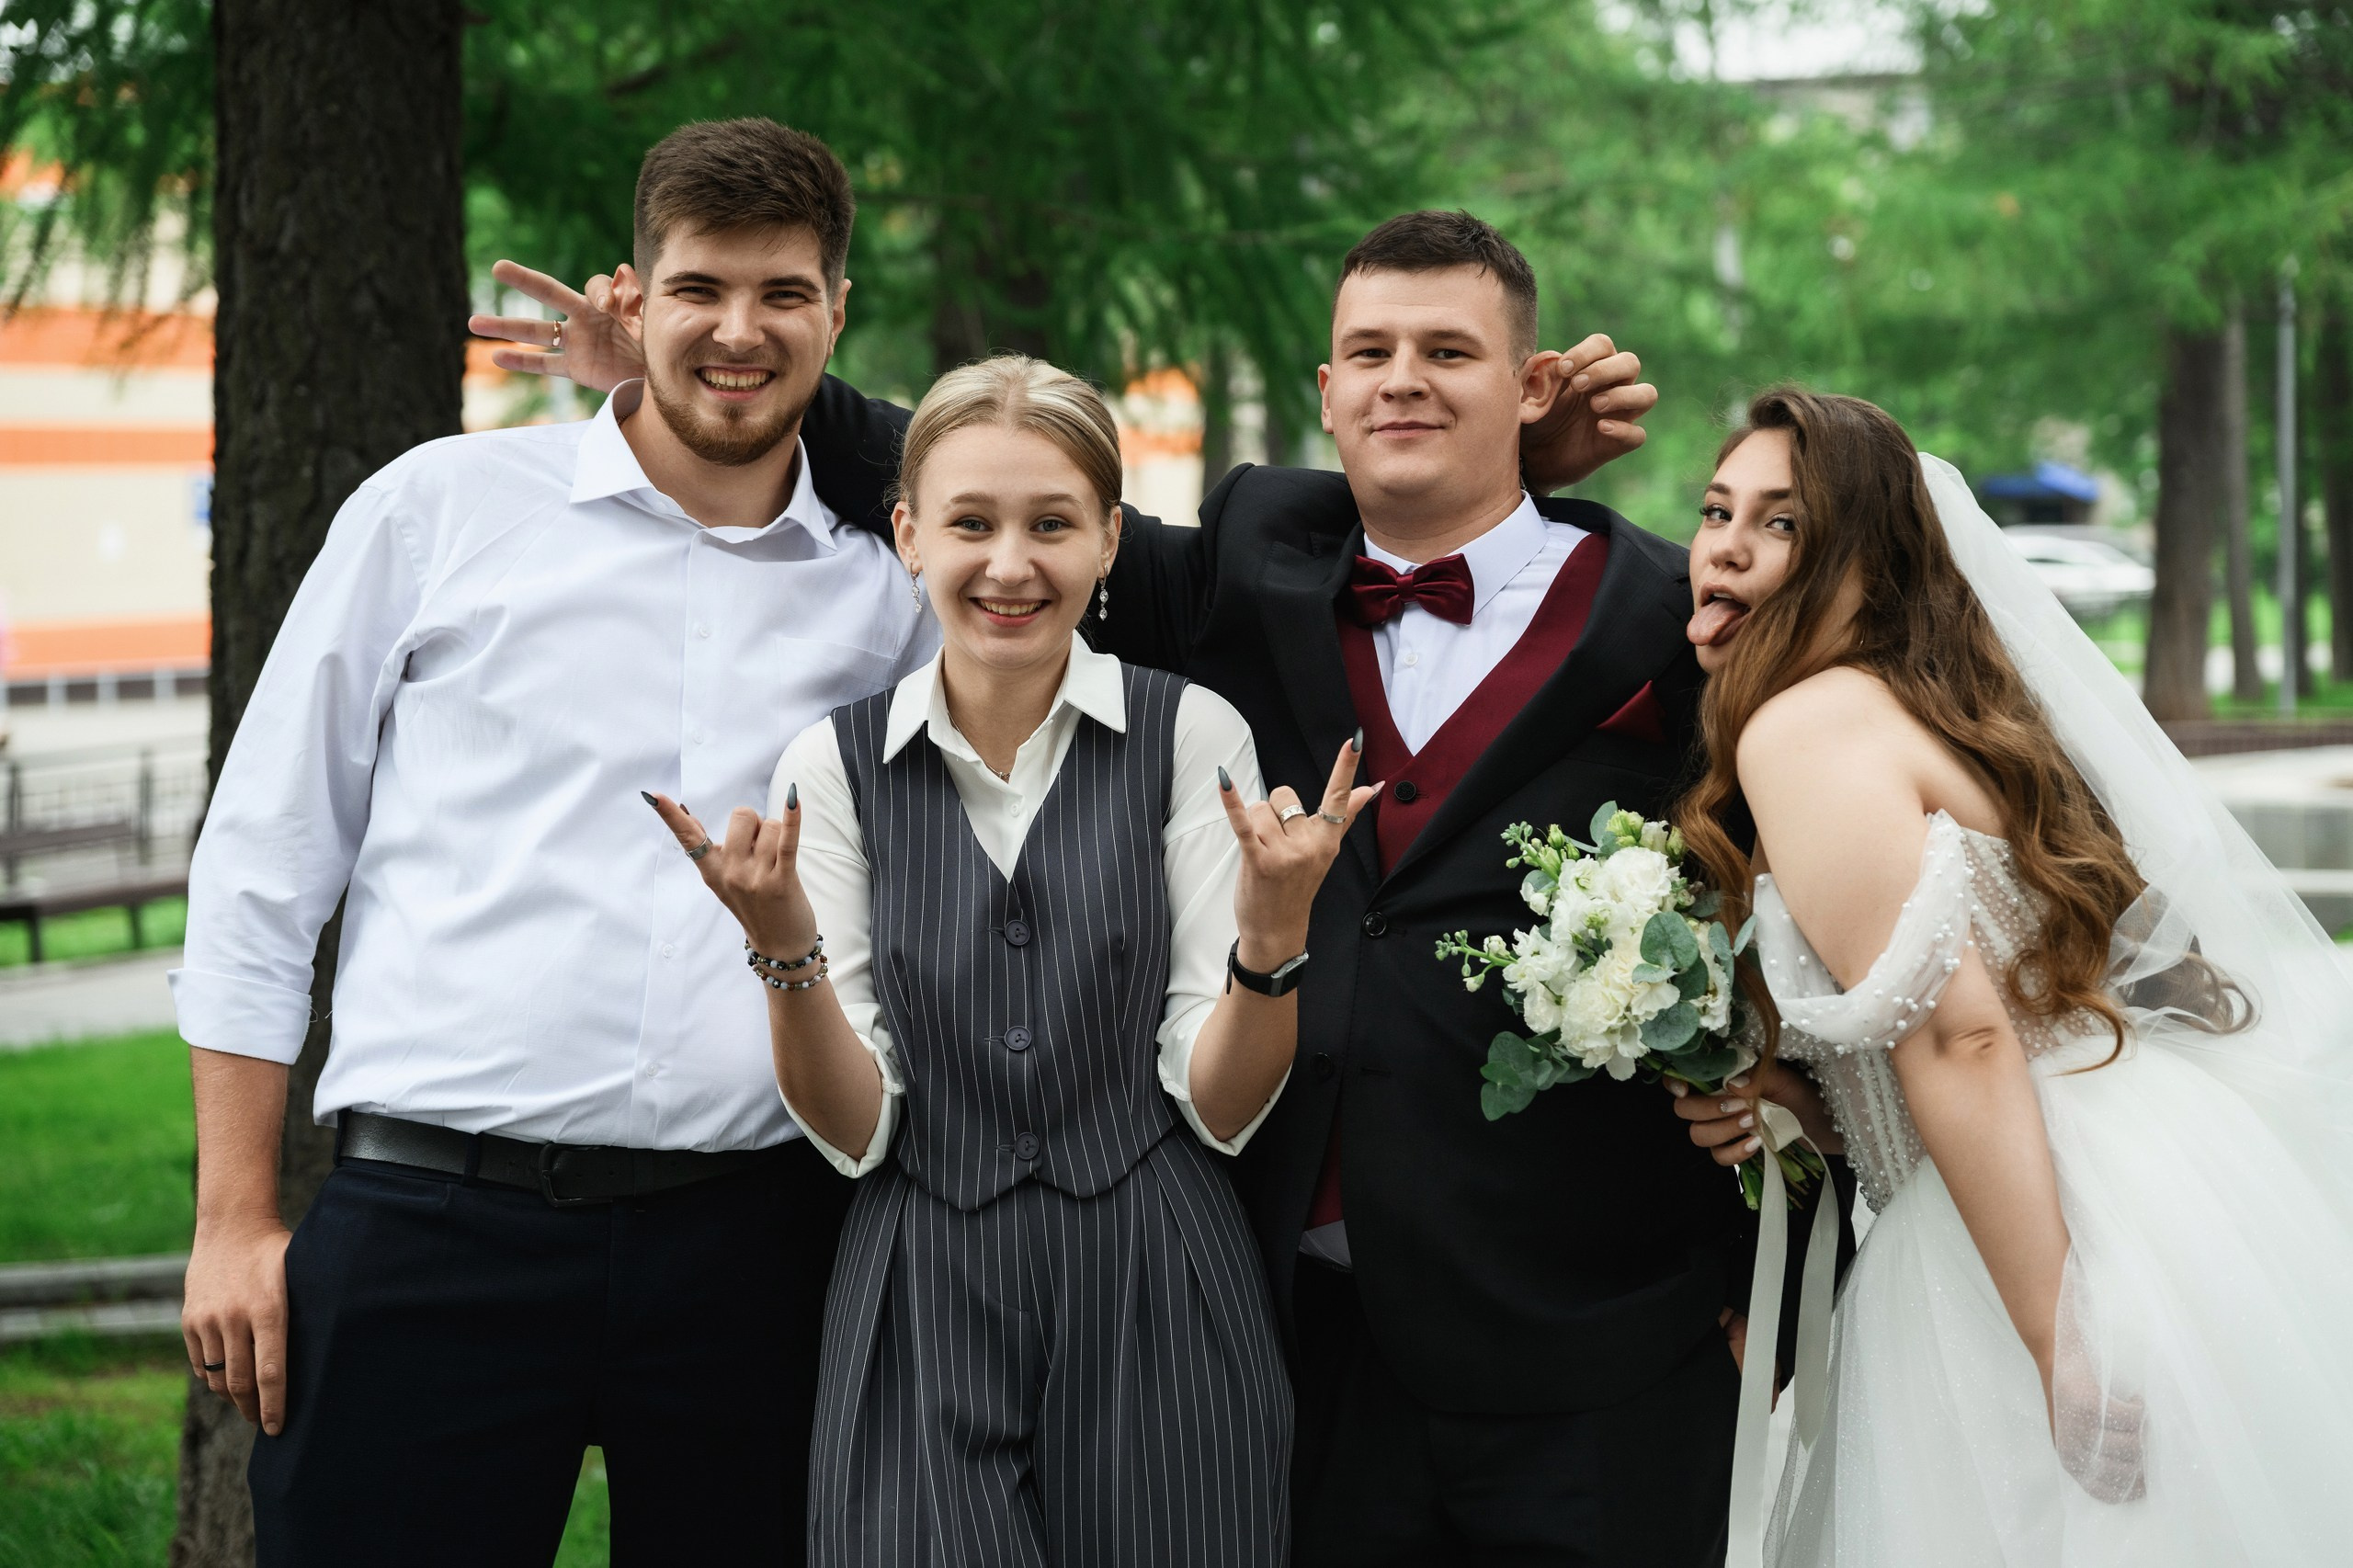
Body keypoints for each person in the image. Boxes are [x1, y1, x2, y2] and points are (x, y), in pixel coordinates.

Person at [483, 209, 1848, 1565]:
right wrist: (701, 371)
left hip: (1597, 1343)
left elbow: (1818, 916)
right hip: (1294, 1323)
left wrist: (1785, 1213)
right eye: (1371, 353)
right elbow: (994, 469)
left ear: (1533, 383)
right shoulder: (1254, 559)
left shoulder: (1668, 619)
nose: (1403, 382)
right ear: (1327, 388)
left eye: (1449, 352)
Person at [171, 119, 943, 1565]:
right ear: (631, 297)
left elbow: (1065, 520)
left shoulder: (896, 588)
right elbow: (266, 866)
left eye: (784, 294)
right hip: (429, 1224)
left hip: (761, 1247)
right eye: (700, 288)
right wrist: (233, 1215)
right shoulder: (437, 510)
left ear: (838, 315)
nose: (740, 331)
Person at [646, 352, 1373, 1564]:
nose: (1010, 564)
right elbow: (856, 1128)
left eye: (1051, 523)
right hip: (920, 1288)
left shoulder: (1192, 734)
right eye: (971, 522)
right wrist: (784, 952)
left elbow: (1219, 1103)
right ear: (909, 535)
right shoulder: (831, 766)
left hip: (1159, 1285)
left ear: (1108, 540)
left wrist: (1274, 937)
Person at [1674, 387, 2353, 1565]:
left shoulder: (1806, 726)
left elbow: (1962, 1037)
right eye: (1715, 509)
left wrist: (2055, 1340)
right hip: (2129, 1165)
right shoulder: (1924, 709)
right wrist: (1804, 1104)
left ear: (1868, 561)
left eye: (1781, 522)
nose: (1725, 546)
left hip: (2032, 1233)